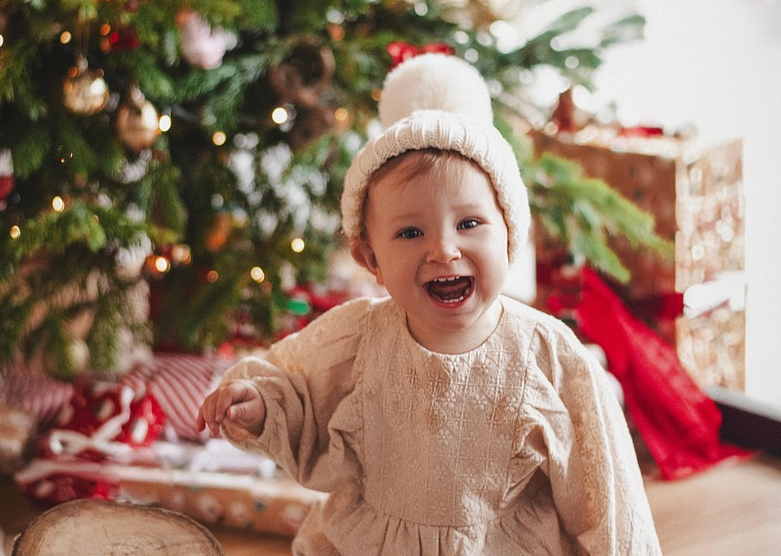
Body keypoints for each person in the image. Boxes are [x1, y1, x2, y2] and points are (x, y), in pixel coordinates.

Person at [197, 53, 662, 556]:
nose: (443, 250)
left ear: (510, 233)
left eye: (469, 224)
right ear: (371, 258)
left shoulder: (546, 354)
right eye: (410, 232)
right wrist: (261, 406)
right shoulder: (357, 337)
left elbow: (606, 494)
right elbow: (299, 391)